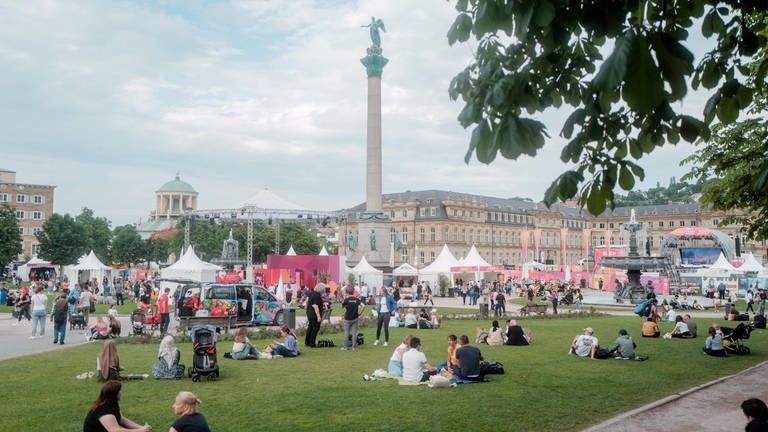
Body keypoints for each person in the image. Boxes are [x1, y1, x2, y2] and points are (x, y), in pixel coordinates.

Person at [83, 380, 151, 432]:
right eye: (120, 391)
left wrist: (141, 427)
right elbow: (115, 431)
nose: (121, 393)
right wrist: (141, 430)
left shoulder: (112, 404)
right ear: (114, 394)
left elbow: (122, 420)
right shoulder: (104, 410)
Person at [341, 286, 364, 351]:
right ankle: (354, 347)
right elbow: (363, 306)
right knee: (354, 333)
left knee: (346, 333)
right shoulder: (356, 299)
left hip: (347, 318)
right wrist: (360, 313)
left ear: (347, 292)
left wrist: (345, 298)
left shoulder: (346, 300)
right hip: (355, 318)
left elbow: (342, 306)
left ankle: (345, 347)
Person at [304, 283, 325, 348]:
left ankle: (307, 342)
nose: (324, 290)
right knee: (315, 328)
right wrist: (318, 316)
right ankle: (312, 343)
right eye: (323, 289)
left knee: (310, 327)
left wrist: (307, 308)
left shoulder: (312, 293)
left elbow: (307, 301)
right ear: (321, 289)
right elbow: (315, 306)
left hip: (309, 313)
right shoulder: (317, 296)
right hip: (314, 315)